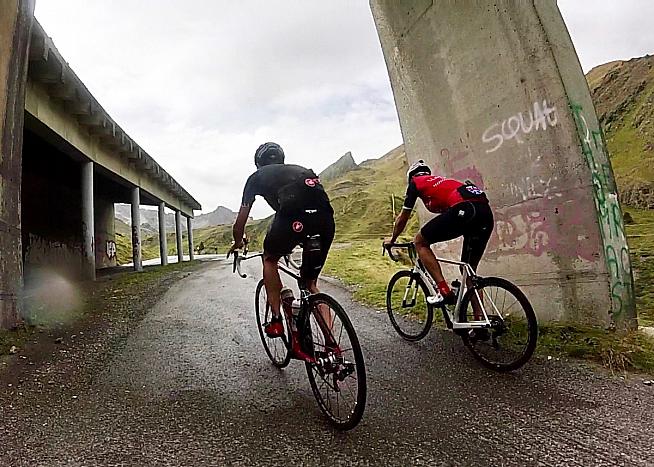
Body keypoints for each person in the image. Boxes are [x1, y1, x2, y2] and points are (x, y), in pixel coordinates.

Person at [228, 142, 335, 348]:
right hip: (325, 220)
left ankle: (276, 320)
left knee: (269, 259)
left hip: (292, 221)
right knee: (310, 284)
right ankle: (332, 345)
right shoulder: (302, 170)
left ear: (259, 163)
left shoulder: (256, 177)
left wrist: (238, 241)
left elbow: (240, 221)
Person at [384, 159, 494, 305]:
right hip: (485, 214)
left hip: (464, 209)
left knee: (420, 242)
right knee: (468, 270)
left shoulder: (416, 182)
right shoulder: (442, 183)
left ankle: (443, 291)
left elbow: (403, 218)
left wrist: (392, 240)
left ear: (411, 176)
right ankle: (479, 321)